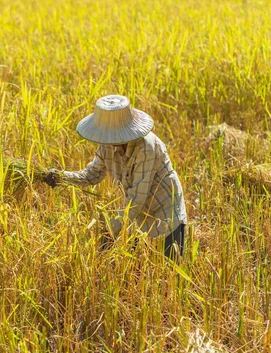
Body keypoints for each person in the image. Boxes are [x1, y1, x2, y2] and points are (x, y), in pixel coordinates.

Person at [44, 95, 187, 259]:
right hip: (139, 215)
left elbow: (137, 199)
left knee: (170, 270)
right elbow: (92, 174)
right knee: (136, 272)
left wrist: (110, 230)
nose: (109, 139)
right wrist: (61, 177)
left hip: (165, 210)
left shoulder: (146, 147)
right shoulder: (107, 144)